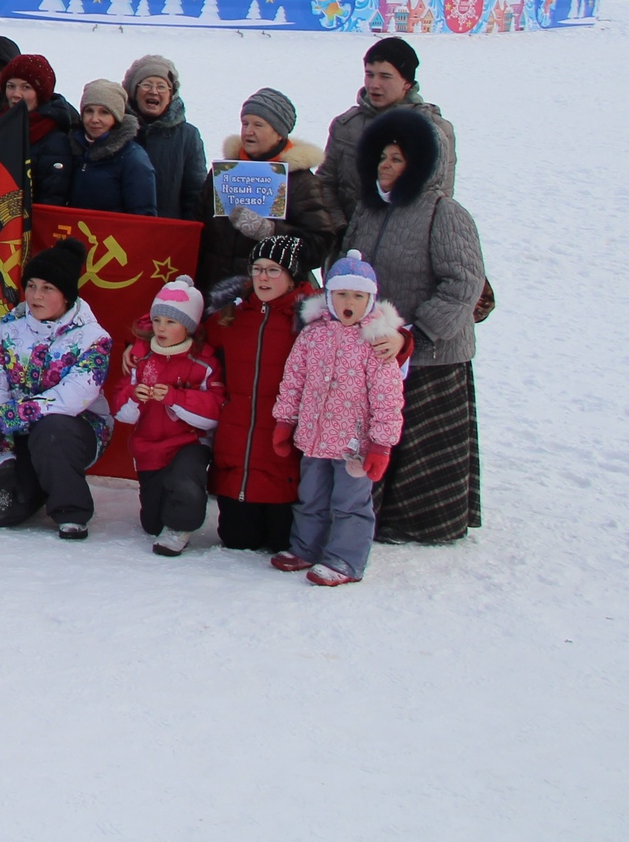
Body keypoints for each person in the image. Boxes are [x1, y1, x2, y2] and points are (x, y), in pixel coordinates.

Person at [340, 108, 486, 548]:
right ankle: (374, 517)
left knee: (422, 447)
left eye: (398, 158)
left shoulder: (445, 212)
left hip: (431, 355)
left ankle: (424, 525)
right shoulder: (368, 210)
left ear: (419, 164)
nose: (386, 165)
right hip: (376, 350)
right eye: (382, 157)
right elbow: (346, 264)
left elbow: (463, 284)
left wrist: (416, 334)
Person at [272, 252, 406, 586]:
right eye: (342, 294)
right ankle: (305, 547)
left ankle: (345, 559)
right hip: (314, 438)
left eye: (358, 296)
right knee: (311, 496)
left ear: (370, 300)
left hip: (354, 446)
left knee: (350, 503)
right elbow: (293, 381)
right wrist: (285, 421)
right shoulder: (312, 336)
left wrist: (381, 444)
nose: (349, 302)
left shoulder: (376, 342)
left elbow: (388, 400)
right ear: (329, 297)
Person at [0, 239, 114, 539]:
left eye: (47, 288)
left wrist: (9, 419)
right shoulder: (8, 329)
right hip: (15, 431)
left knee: (51, 431)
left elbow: (73, 398)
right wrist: (2, 458)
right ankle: (37, 481)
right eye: (32, 285)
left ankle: (71, 510)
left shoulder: (93, 338)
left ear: (66, 295)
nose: (36, 295)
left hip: (72, 430)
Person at [203, 235, 312, 554]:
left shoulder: (312, 319)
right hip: (237, 452)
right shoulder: (231, 315)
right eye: (257, 269)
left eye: (274, 270)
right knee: (237, 540)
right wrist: (140, 348)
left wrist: (399, 340)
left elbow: (357, 338)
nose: (263, 277)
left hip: (283, 453)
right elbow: (183, 333)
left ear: (293, 276)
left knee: (281, 542)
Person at [104, 276, 223, 556]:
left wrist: (175, 398)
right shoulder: (141, 358)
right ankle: (169, 517)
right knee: (153, 524)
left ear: (189, 326)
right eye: (158, 321)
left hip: (188, 444)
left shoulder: (204, 361)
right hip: (149, 448)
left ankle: (182, 525)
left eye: (171, 323)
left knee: (185, 480)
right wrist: (135, 396)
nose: (161, 328)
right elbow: (122, 413)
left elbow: (215, 411)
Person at [195, 87, 345, 296]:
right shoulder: (223, 173)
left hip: (267, 300)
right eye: (245, 123)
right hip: (213, 291)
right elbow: (199, 224)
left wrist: (271, 232)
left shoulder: (300, 181)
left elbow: (318, 247)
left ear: (279, 133)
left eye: (258, 125)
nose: (248, 131)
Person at [318, 35, 459, 219]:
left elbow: (439, 199)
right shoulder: (345, 125)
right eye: (369, 74)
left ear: (407, 83)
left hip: (403, 242)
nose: (374, 84)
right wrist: (340, 229)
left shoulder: (434, 131)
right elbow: (325, 183)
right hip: (347, 239)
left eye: (385, 76)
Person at [123, 54, 209, 223]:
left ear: (171, 94)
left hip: (167, 238)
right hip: (119, 238)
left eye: (162, 86)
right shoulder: (117, 129)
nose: (154, 91)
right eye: (146, 84)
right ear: (134, 91)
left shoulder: (188, 137)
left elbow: (195, 196)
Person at [65, 78, 157, 216]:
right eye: (89, 111)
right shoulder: (73, 149)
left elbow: (142, 216)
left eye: (104, 112)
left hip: (110, 237)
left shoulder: (133, 158)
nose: (95, 119)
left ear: (116, 117)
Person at [0, 53, 78, 204]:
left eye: (26, 87)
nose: (16, 94)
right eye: (11, 86)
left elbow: (52, 198)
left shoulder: (54, 140)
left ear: (41, 93)